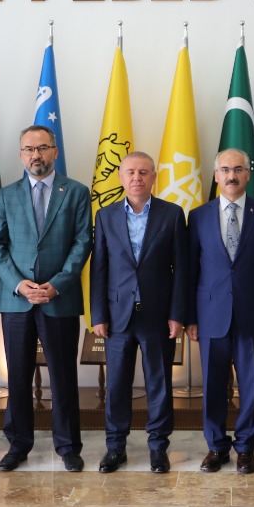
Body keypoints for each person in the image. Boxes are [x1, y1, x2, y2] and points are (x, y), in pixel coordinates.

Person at [0, 124, 92, 473]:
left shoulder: (76, 192)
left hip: (58, 299)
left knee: (63, 376)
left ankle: (68, 446)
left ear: (55, 152)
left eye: (43, 148)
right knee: (17, 375)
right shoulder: (7, 195)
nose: (36, 155)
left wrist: (56, 284)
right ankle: (18, 444)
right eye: (29, 149)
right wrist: (19, 283)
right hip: (17, 300)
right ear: (21, 155)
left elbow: (82, 243)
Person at [89, 151, 191, 473]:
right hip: (117, 317)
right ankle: (115, 447)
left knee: (159, 384)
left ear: (153, 177)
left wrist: (177, 314)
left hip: (157, 315)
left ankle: (158, 447)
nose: (137, 178)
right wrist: (98, 315)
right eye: (131, 172)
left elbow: (182, 269)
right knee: (116, 385)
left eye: (144, 172)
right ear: (121, 177)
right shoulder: (105, 216)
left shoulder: (172, 214)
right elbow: (99, 268)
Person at [187, 149, 254, 475]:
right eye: (225, 170)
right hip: (210, 316)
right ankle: (216, 446)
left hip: (253, 316)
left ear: (247, 174)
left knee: (252, 387)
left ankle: (245, 448)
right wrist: (190, 317)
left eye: (238, 169)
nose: (231, 175)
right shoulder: (198, 217)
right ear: (216, 175)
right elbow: (190, 271)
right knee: (213, 386)